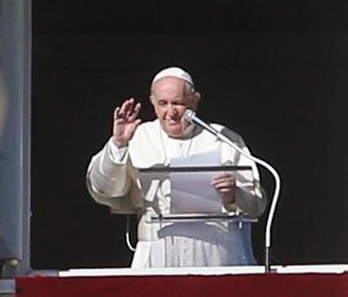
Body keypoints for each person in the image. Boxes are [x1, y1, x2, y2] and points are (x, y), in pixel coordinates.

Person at [86, 67, 265, 269]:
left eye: (178, 103)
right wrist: (118, 144)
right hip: (158, 249)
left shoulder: (223, 139)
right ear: (153, 103)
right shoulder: (137, 137)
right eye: (162, 104)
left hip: (216, 250)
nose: (170, 113)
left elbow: (257, 205)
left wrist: (234, 195)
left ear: (194, 101)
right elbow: (103, 190)